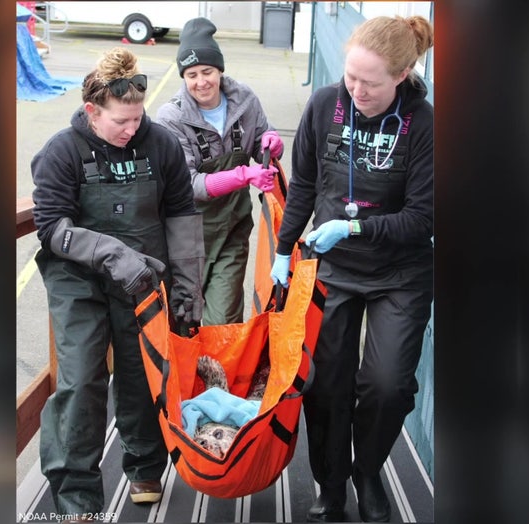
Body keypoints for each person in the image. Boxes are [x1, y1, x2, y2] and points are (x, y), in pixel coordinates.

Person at [270, 15, 434, 522]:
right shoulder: (324, 105)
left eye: (371, 82)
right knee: (325, 383)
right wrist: (282, 250)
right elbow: (303, 187)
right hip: (332, 268)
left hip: (399, 271)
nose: (356, 90)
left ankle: (368, 469)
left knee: (386, 385)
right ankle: (332, 481)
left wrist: (355, 228)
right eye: (350, 77)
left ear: (402, 75)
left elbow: (423, 216)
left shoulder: (425, 125)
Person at [31, 47, 205, 520]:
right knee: (82, 377)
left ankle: (146, 465)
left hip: (143, 279)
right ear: (91, 111)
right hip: (78, 279)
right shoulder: (62, 153)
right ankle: (77, 498)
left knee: (140, 371)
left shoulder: (161, 146)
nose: (132, 130)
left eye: (138, 118)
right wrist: (112, 252)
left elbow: (183, 218)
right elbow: (51, 227)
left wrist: (189, 290)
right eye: (120, 122)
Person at [156, 17, 283, 326]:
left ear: (220, 70)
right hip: (186, 237)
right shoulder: (170, 118)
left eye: (207, 71)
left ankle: (221, 374)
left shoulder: (245, 101)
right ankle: (186, 375)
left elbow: (262, 144)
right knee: (184, 317)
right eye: (192, 74)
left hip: (231, 229)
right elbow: (189, 184)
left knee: (222, 319)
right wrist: (244, 176)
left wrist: (273, 144)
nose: (201, 82)